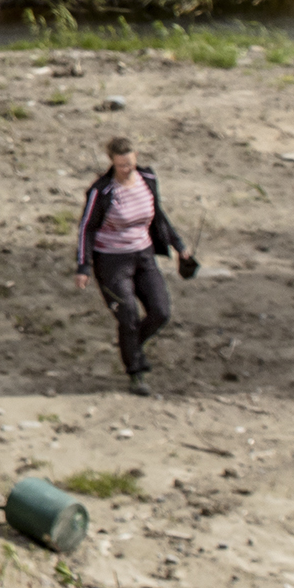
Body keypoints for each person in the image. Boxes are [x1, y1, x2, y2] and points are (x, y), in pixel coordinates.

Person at [72, 135, 192, 395]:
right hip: (111, 261)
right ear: (112, 163)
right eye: (122, 166)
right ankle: (136, 373)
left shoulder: (147, 180)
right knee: (127, 316)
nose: (127, 170)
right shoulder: (102, 190)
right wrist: (83, 266)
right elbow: (87, 228)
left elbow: (158, 215)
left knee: (160, 311)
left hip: (144, 255)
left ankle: (132, 346)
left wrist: (179, 246)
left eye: (130, 164)